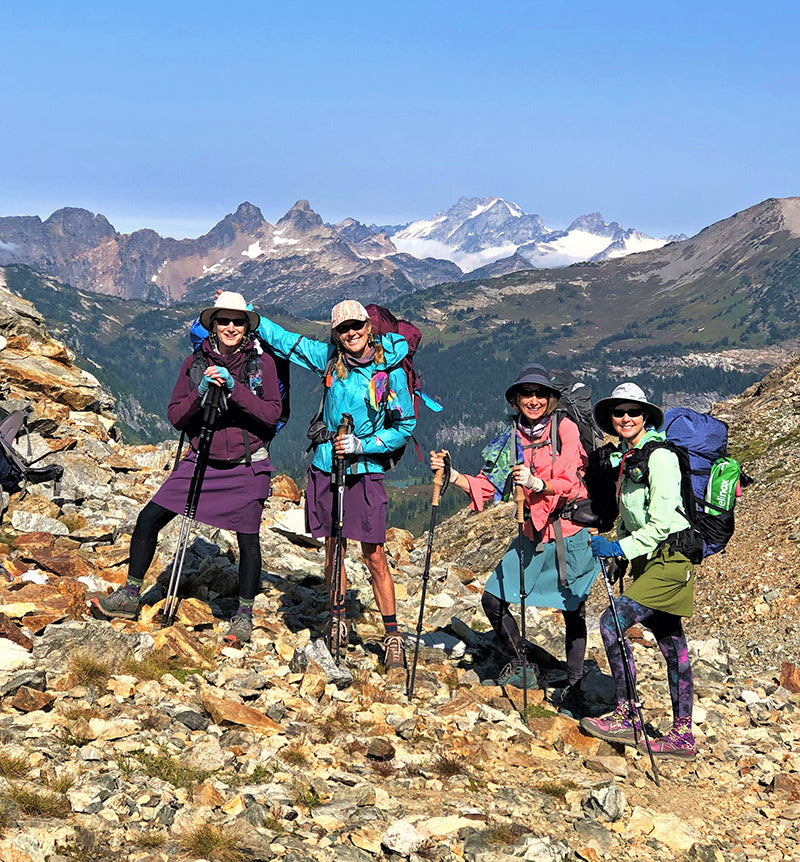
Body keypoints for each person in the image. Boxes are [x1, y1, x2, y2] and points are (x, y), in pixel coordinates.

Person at [92, 292, 282, 644]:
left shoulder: (261, 365)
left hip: (246, 465)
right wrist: (201, 392)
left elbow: (271, 415)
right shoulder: (194, 363)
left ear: (246, 327)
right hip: (201, 459)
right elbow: (176, 416)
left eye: (238, 322)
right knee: (149, 517)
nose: (230, 327)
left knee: (248, 539)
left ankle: (243, 615)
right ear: (211, 324)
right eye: (223, 320)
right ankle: (130, 595)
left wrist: (234, 388)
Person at [430, 363, 599, 717]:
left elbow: (570, 476)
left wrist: (539, 484)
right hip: (531, 534)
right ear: (517, 399)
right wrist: (452, 475)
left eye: (540, 394)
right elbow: (486, 487)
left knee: (573, 609)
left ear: (551, 400)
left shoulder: (565, 428)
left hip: (568, 531)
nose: (533, 400)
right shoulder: (510, 436)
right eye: (527, 394)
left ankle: (576, 687)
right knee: (493, 599)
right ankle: (523, 664)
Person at [254, 300, 416, 670]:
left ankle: (392, 636)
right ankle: (338, 618)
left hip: (366, 469)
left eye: (357, 325)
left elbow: (404, 425)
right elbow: (285, 341)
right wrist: (250, 315)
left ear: (368, 325)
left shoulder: (389, 368)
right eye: (343, 329)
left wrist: (364, 445)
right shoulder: (329, 358)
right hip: (327, 465)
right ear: (335, 333)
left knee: (373, 552)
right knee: (333, 547)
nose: (352, 333)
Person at [580, 382, 697, 761]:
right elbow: (634, 518)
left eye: (633, 411)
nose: (626, 417)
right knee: (670, 642)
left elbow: (662, 523)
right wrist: (622, 556)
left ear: (646, 416)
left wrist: (617, 547)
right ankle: (682, 737)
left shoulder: (659, 457)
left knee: (612, 623)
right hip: (650, 561)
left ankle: (628, 714)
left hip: (669, 559)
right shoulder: (629, 459)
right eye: (619, 412)